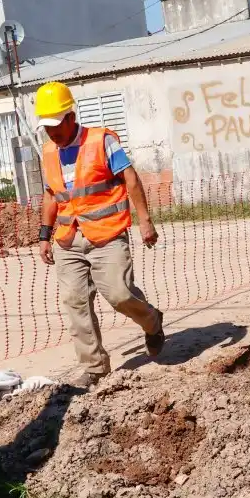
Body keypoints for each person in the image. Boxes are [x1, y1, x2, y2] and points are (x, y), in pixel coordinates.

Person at [35, 81, 165, 388]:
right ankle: (94, 367)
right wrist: (44, 235)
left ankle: (152, 321)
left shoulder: (101, 141)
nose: (51, 132)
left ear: (70, 116)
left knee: (119, 295)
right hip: (68, 238)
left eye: (55, 124)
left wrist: (145, 221)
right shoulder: (48, 151)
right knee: (74, 300)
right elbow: (52, 194)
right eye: (46, 126)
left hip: (107, 233)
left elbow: (130, 178)